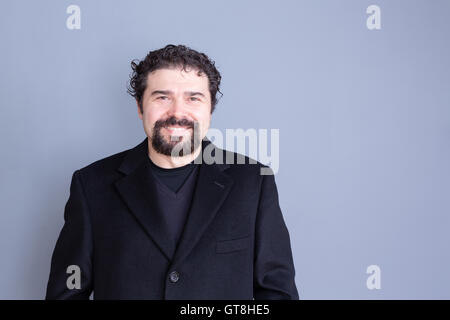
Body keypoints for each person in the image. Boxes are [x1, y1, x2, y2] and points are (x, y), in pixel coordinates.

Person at [45, 44, 299, 299]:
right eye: (162, 97)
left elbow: (277, 291)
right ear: (140, 106)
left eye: (193, 98)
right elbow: (67, 292)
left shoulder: (253, 182)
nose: (177, 112)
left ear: (210, 109)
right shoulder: (91, 186)